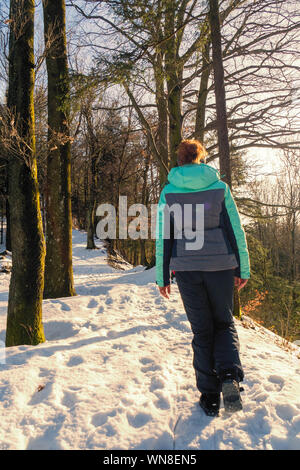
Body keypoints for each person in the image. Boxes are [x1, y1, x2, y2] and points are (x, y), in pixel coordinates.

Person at [155, 139, 250, 417]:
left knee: (202, 330)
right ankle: (229, 376)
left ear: (180, 159)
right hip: (220, 265)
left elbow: (165, 236)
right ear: (201, 157)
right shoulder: (220, 188)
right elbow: (235, 229)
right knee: (224, 323)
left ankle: (209, 396)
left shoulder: (169, 192)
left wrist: (163, 276)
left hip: (187, 268)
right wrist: (241, 268)